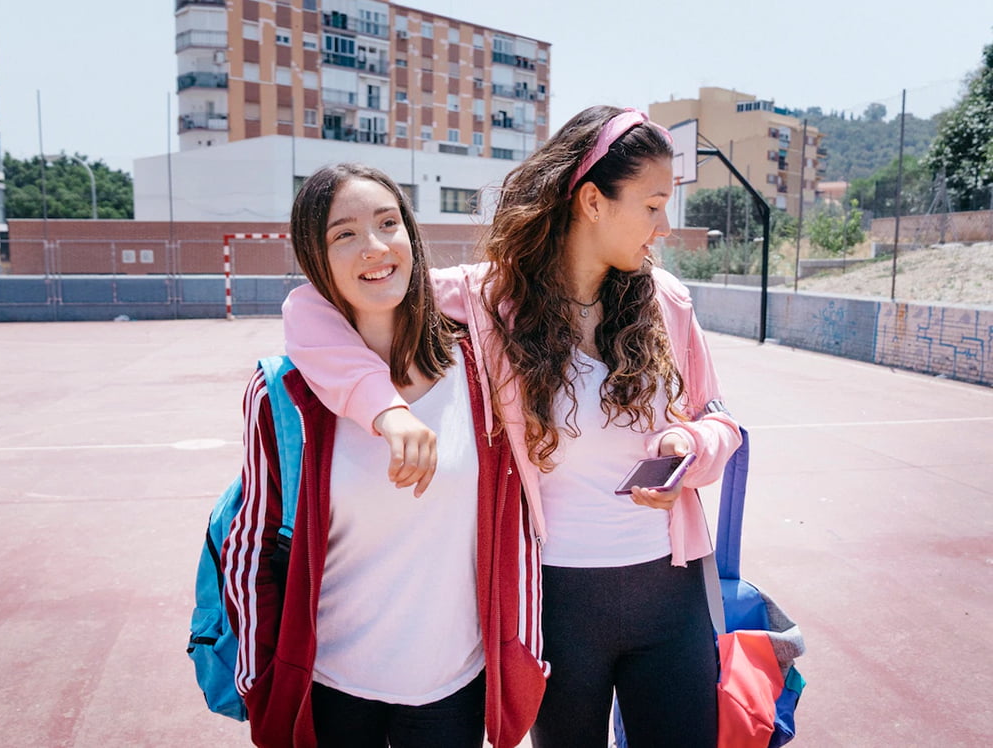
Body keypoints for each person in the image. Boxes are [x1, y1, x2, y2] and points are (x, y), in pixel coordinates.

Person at [281, 108, 743, 748]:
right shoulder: (491, 301)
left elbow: (720, 420)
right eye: (653, 206)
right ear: (592, 202)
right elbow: (311, 304)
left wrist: (690, 445)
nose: (664, 227)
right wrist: (384, 407)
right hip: (555, 602)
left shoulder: (668, 301)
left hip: (671, 592)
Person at [222, 163, 547, 748]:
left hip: (453, 686)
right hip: (331, 688)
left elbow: (516, 522)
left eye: (388, 223)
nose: (374, 246)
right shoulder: (285, 393)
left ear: (411, 235)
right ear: (315, 260)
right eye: (344, 234)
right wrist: (260, 678)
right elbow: (250, 544)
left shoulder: (483, 371)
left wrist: (522, 649)